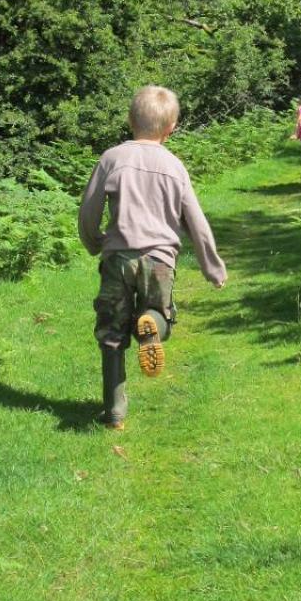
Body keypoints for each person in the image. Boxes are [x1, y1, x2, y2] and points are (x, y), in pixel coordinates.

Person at [77, 85, 227, 431]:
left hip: (118, 258)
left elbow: (89, 209)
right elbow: (196, 222)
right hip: (159, 260)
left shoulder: (111, 158)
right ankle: (152, 328)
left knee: (111, 333)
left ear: (130, 120)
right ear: (171, 127)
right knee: (159, 315)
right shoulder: (174, 166)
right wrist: (212, 267)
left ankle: (114, 412)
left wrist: (94, 241)